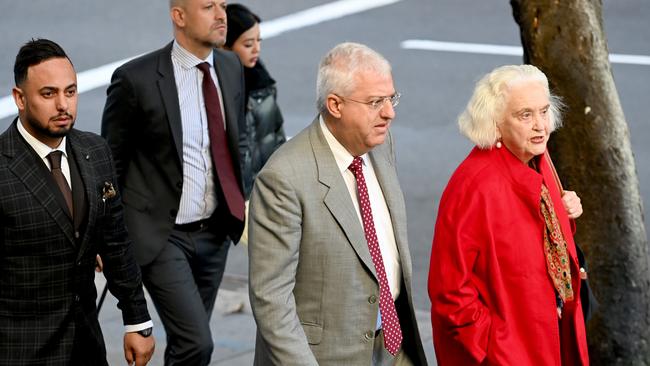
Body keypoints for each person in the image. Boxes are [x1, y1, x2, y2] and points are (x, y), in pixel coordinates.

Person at [248, 42, 427, 366]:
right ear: (335, 105)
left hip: (393, 344)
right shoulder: (283, 178)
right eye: (375, 102)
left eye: (391, 98)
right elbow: (272, 300)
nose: (390, 113)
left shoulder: (381, 145)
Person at [100, 0, 246, 364]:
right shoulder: (136, 79)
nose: (221, 15)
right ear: (179, 16)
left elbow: (236, 140)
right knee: (198, 343)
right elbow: (109, 165)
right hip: (163, 235)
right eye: (208, 6)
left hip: (215, 232)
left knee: (188, 343)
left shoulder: (230, 67)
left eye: (223, 5)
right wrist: (106, 236)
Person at [0, 38, 155, 366]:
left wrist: (137, 321)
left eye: (70, 92)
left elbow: (116, 243)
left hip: (85, 342)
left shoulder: (96, 151)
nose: (63, 105)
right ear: (20, 98)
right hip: (18, 347)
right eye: (48, 94)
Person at [428, 64, 589, 365]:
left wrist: (567, 216)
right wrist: (493, 348)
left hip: (550, 339)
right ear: (495, 123)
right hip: (510, 352)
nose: (541, 126)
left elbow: (532, 244)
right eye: (525, 115)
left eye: (544, 111)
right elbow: (449, 292)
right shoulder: (475, 185)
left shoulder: (536, 157)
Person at [224, 3, 286, 199]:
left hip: (265, 195)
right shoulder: (217, 89)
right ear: (225, 46)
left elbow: (277, 136)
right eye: (248, 44)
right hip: (233, 202)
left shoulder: (263, 82)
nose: (256, 50)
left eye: (259, 41)